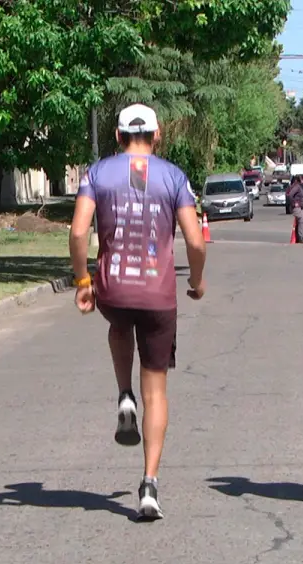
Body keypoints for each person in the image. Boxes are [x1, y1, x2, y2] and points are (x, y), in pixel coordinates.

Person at [69, 103, 207, 519]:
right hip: (157, 294)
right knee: (157, 391)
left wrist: (83, 281)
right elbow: (195, 241)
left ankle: (123, 393)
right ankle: (149, 484)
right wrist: (197, 280)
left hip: (113, 289)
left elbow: (78, 231)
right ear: (157, 134)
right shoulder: (174, 177)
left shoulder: (96, 173)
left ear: (117, 136)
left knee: (119, 322)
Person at [287, 175, 303, 243]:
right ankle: (300, 237)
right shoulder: (297, 187)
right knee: (302, 220)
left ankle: (298, 237)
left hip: (300, 207)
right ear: (300, 179)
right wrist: (294, 203)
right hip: (296, 207)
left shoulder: (299, 186)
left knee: (300, 221)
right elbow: (290, 195)